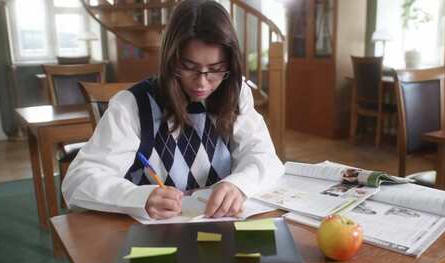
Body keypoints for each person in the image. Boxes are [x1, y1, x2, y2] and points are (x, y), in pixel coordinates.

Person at [62, 0, 284, 220]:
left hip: (222, 228)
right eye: (189, 67)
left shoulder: (235, 93)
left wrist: (238, 185)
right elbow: (77, 182)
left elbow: (265, 158)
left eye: (216, 70)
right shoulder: (132, 105)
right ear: (171, 59)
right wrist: (139, 198)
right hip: (155, 236)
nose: (202, 83)